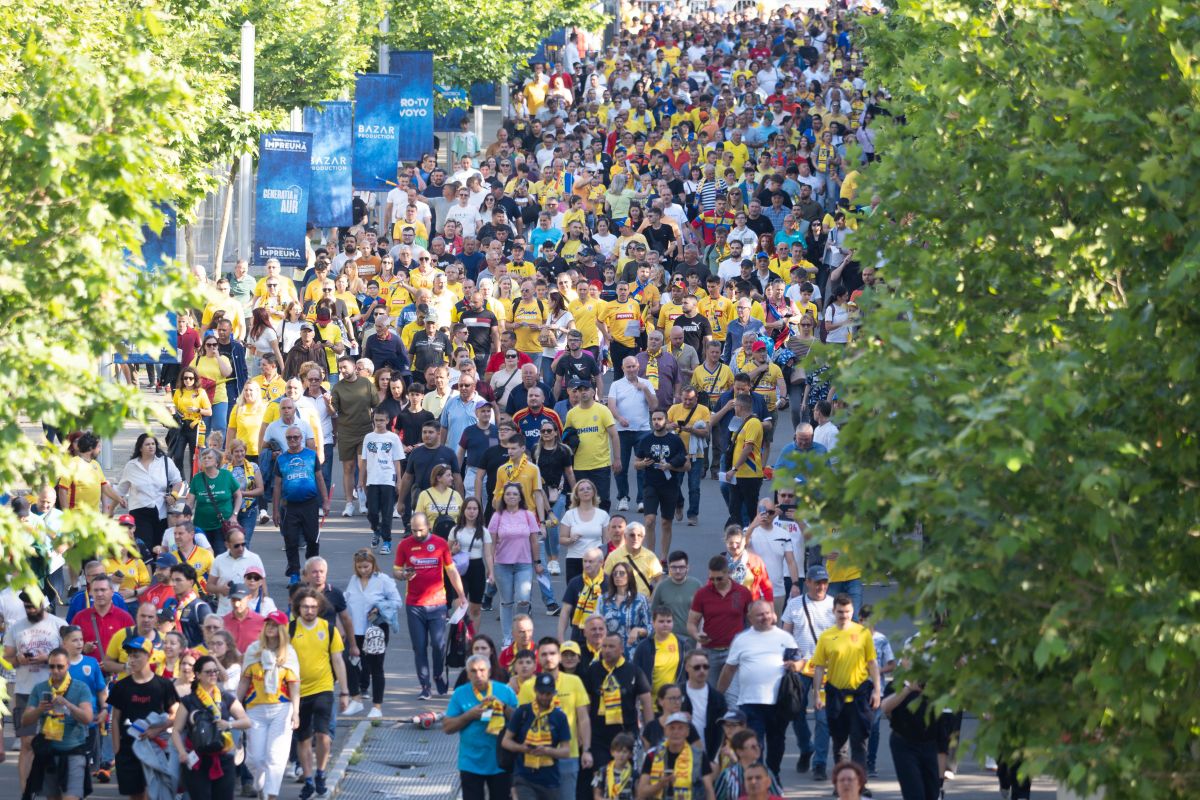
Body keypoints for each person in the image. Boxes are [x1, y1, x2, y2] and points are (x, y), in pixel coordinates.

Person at [716, 600, 801, 776]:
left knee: (777, 743)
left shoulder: (784, 638)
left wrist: (795, 665)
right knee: (754, 745)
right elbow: (729, 669)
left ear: (773, 614)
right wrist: (718, 695)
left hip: (778, 702)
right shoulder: (742, 639)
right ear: (750, 618)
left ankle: (773, 775)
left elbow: (799, 661)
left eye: (767, 613)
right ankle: (758, 779)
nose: (764, 617)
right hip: (750, 702)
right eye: (760, 615)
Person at [393, 512, 468, 699]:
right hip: (414, 604)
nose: (417, 534)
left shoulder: (440, 544)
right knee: (419, 646)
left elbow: (451, 571)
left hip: (437, 603)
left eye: (421, 530)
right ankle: (425, 686)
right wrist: (403, 575)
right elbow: (396, 570)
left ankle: (437, 674)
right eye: (414, 530)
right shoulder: (405, 545)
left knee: (438, 644)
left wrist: (461, 594)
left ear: (428, 527)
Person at [289, 588, 350, 800]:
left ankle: (321, 773)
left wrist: (344, 692)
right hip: (298, 692)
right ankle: (307, 779)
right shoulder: (290, 630)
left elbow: (338, 661)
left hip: (323, 688)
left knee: (323, 736)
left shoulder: (329, 629)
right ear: (298, 608)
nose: (309, 610)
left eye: (313, 607)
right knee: (304, 738)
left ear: (319, 608)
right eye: (305, 607)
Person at [515, 640, 593, 800]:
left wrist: (586, 750)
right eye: (544, 654)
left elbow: (583, 718)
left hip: (567, 755)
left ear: (559, 657)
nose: (548, 657)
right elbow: (521, 723)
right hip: (536, 758)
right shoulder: (528, 686)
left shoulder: (574, 682)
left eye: (552, 653)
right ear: (538, 658)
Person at [812, 594, 882, 771]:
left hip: (859, 696)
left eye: (848, 611)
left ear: (853, 612)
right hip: (836, 696)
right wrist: (817, 695)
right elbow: (819, 667)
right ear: (834, 611)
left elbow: (872, 663)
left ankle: (860, 784)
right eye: (840, 612)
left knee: (859, 743)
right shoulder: (826, 637)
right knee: (839, 745)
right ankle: (841, 786)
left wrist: (877, 691)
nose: (844, 615)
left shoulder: (863, 633)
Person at [5, 591, 67, 791]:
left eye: (33, 606)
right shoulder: (16, 628)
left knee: (53, 741)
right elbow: (6, 659)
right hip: (25, 693)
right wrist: (18, 660)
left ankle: (52, 788)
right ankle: (27, 791)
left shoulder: (58, 625)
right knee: (27, 743)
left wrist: (46, 658)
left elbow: (69, 657)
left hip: (54, 693)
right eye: (26, 607)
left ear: (43, 603)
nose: (29, 610)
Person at [107, 635, 179, 800]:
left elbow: (176, 714)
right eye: (130, 655)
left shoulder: (164, 685)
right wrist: (117, 749)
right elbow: (115, 718)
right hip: (128, 748)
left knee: (157, 791)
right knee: (136, 794)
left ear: (149, 655)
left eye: (137, 655)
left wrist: (158, 729)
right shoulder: (121, 687)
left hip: (156, 747)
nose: (132, 659)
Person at [780, 564, 835, 778]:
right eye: (817, 582)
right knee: (796, 712)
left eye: (824, 582)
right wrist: (788, 662)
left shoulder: (834, 605)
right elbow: (786, 636)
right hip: (800, 670)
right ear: (808, 583)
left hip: (825, 671)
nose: (821, 586)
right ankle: (806, 747)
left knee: (822, 718)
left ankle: (819, 763)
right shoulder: (794, 605)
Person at [171, 652, 251, 800]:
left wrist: (229, 724)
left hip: (223, 758)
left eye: (215, 671)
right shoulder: (189, 701)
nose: (213, 674)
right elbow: (176, 730)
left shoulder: (226, 697)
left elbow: (247, 721)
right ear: (198, 675)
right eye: (209, 672)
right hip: (197, 759)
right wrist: (182, 752)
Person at [239, 611, 300, 800]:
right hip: (255, 708)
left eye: (275, 625)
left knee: (276, 757)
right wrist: (235, 706)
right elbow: (244, 681)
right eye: (268, 624)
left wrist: (296, 712)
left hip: (281, 708)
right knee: (255, 758)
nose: (271, 628)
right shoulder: (253, 650)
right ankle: (261, 786)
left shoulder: (288, 653)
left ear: (281, 629)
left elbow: (294, 685)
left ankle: (270, 795)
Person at [20, 646, 93, 800]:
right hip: (49, 754)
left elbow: (87, 718)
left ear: (68, 666)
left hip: (74, 752)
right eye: (51, 666)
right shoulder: (40, 689)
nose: (55, 670)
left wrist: (68, 704)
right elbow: (25, 721)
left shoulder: (80, 688)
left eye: (60, 666)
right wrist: (39, 709)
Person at [444, 653, 520, 800]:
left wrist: (504, 707)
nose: (478, 675)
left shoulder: (505, 691)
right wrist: (469, 715)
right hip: (470, 763)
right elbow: (447, 727)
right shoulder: (460, 693)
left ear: (490, 671)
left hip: (500, 763)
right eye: (473, 671)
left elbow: (520, 721)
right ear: (467, 674)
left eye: (482, 670)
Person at [344, 549, 402, 719]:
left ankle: (377, 706)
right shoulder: (353, 580)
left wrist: (379, 607)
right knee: (350, 663)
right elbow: (347, 602)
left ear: (373, 564)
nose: (363, 570)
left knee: (376, 667)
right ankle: (356, 699)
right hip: (355, 630)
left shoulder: (383, 580)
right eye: (360, 567)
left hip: (375, 630)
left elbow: (396, 601)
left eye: (366, 566)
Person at [582, 632, 652, 770]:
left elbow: (647, 703)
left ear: (621, 649)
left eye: (612, 647)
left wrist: (649, 734)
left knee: (625, 778)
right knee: (601, 776)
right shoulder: (593, 670)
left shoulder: (634, 671)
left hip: (626, 733)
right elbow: (586, 706)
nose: (607, 650)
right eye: (605, 646)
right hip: (599, 735)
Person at [273, 425, 330, 583]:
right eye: (289, 438)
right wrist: (275, 511)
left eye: (296, 437)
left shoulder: (311, 455)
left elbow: (320, 479)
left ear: (301, 438)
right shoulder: (281, 459)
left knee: (312, 539)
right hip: (289, 505)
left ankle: (311, 570)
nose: (293, 440)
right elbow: (277, 485)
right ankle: (294, 573)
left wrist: (325, 501)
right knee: (290, 540)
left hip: (309, 504)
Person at [503, 672, 573, 800]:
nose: (545, 697)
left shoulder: (559, 716)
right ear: (535, 691)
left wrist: (547, 750)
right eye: (541, 693)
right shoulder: (523, 712)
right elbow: (506, 741)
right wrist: (522, 748)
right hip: (524, 777)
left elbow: (566, 751)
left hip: (550, 780)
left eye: (548, 694)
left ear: (554, 693)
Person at [687, 556, 752, 690]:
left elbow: (751, 621)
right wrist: (697, 635)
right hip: (710, 652)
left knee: (733, 695)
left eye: (719, 578)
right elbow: (691, 623)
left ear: (728, 573)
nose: (715, 582)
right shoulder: (702, 594)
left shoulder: (743, 592)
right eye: (712, 578)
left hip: (734, 652)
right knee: (711, 694)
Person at [489, 482, 544, 638]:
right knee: (506, 603)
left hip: (524, 564)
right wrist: (491, 568)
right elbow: (491, 543)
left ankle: (521, 631)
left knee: (523, 600)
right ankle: (508, 637)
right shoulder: (497, 516)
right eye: (508, 494)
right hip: (502, 565)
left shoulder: (528, 515)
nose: (511, 497)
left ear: (520, 497)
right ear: (503, 497)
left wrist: (538, 562)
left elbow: (534, 541)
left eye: (515, 494)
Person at [632, 409, 687, 556]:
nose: (656, 422)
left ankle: (663, 559)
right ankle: (650, 558)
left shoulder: (675, 440)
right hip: (650, 484)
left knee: (666, 523)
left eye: (660, 419)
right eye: (654, 419)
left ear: (666, 420)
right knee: (649, 521)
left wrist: (670, 466)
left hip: (670, 485)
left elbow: (687, 466)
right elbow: (635, 464)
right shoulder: (646, 440)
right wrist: (643, 463)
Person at [118, 433, 185, 551]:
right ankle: (146, 569)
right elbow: (121, 490)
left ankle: (158, 569)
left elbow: (178, 481)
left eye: (153, 444)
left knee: (160, 547)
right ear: (140, 448)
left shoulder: (165, 461)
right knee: (144, 548)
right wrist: (111, 508)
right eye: (147, 444)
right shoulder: (131, 466)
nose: (151, 446)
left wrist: (174, 496)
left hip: (160, 511)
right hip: (139, 511)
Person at [608, 356, 656, 513]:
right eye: (627, 367)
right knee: (619, 466)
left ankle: (642, 500)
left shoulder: (646, 383)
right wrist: (619, 418)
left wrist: (645, 389)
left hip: (642, 430)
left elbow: (654, 406)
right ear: (622, 368)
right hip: (621, 431)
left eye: (633, 366)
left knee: (643, 466)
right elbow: (611, 406)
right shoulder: (616, 385)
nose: (631, 369)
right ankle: (622, 497)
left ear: (638, 366)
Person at [331, 354, 377, 518]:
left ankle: (363, 500)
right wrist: (327, 403)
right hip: (345, 432)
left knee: (363, 466)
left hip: (364, 431)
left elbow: (376, 405)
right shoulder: (337, 387)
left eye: (345, 367)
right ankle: (349, 503)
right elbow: (333, 411)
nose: (343, 370)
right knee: (348, 468)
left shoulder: (366, 384)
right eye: (340, 368)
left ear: (353, 367)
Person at [564, 381, 620, 510]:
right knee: (581, 502)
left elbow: (614, 435)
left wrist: (617, 459)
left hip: (601, 464)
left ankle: (603, 529)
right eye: (580, 390)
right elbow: (565, 438)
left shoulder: (602, 410)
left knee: (602, 501)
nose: (583, 392)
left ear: (593, 392)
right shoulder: (572, 414)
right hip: (579, 465)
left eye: (586, 389)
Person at [881, 677, 939, 800]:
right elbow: (885, 707)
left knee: (932, 793)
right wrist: (907, 689)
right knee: (914, 793)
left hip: (930, 743)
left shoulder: (934, 682)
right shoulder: (897, 684)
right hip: (904, 744)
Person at [636, 711, 715, 800]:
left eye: (680, 728)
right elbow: (641, 793)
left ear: (687, 732)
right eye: (672, 728)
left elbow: (709, 791)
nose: (676, 732)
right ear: (665, 731)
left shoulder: (699, 756)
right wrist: (660, 785)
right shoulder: (652, 755)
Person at [359, 408, 404, 554]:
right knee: (371, 511)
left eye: (381, 420)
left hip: (387, 478)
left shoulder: (393, 438)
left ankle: (387, 541)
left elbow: (397, 461)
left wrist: (399, 480)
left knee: (386, 512)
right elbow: (364, 461)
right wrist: (361, 480)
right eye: (376, 420)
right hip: (372, 479)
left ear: (387, 421)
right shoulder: (368, 437)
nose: (379, 423)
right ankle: (376, 529)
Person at [449, 497, 494, 631]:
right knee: (459, 605)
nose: (472, 512)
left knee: (475, 609)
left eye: (475, 509)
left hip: (477, 568)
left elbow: (488, 554)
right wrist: (453, 551)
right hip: (460, 569)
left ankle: (472, 640)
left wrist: (491, 572)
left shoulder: (484, 531)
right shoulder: (456, 530)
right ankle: (458, 637)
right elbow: (446, 552)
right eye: (469, 508)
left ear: (479, 512)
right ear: (463, 511)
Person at [680, 650, 728, 763]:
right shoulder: (676, 694)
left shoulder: (717, 698)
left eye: (705, 667)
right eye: (697, 667)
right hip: (681, 758)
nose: (702, 671)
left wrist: (716, 760)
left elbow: (722, 731)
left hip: (709, 758)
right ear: (687, 667)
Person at [558, 480, 609, 585]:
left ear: (593, 492)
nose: (585, 491)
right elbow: (562, 539)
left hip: (596, 560)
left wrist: (606, 560)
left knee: (596, 595)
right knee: (576, 597)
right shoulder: (569, 514)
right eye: (581, 489)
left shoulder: (603, 514)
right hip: (575, 559)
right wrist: (570, 540)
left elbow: (607, 542)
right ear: (576, 495)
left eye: (588, 488)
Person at [649, 552, 701, 652]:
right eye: (674, 567)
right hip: (667, 640)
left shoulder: (696, 585)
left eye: (681, 567)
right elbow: (653, 613)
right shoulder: (661, 587)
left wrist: (699, 640)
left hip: (690, 641)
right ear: (669, 568)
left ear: (687, 568)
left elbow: (703, 615)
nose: (677, 571)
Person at [713, 730, 784, 800]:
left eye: (758, 745)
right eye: (753, 747)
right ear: (740, 752)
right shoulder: (727, 775)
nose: (757, 749)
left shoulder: (766, 772)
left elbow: (776, 797)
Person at [632, 607, 686, 698]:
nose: (665, 624)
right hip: (650, 702)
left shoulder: (682, 644)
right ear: (653, 623)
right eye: (661, 621)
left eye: (669, 621)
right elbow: (635, 673)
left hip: (674, 701)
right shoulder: (644, 646)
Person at [597, 563, 649, 657]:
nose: (617, 576)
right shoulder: (603, 599)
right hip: (609, 653)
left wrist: (638, 630)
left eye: (622, 573)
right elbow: (597, 626)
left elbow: (650, 627)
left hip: (633, 654)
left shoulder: (640, 600)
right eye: (615, 574)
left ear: (629, 576)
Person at [558, 547, 606, 645]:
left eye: (591, 562)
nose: (587, 565)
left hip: (603, 639)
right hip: (578, 637)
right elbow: (565, 611)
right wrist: (561, 638)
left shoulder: (610, 583)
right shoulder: (575, 582)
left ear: (601, 563)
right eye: (585, 561)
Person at [602, 522, 662, 599]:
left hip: (643, 603)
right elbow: (606, 580)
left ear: (643, 538)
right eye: (632, 535)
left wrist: (652, 599)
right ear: (625, 537)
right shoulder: (613, 556)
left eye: (639, 535)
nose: (636, 538)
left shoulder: (650, 556)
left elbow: (660, 580)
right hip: (620, 602)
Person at [590, 731, 637, 800]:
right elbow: (596, 796)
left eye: (624, 752)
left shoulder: (634, 773)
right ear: (612, 752)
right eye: (618, 751)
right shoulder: (602, 771)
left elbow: (638, 795)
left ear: (630, 754)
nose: (621, 755)